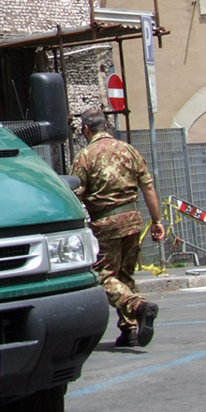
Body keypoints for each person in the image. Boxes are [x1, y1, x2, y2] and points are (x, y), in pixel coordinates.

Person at [71, 109, 164, 348]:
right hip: (133, 219)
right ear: (107, 127)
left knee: (104, 276)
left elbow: (75, 194)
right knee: (124, 275)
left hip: (106, 223)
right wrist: (157, 221)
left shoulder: (85, 156)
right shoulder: (129, 150)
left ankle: (138, 307)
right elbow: (148, 187)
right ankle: (130, 329)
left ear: (86, 130)